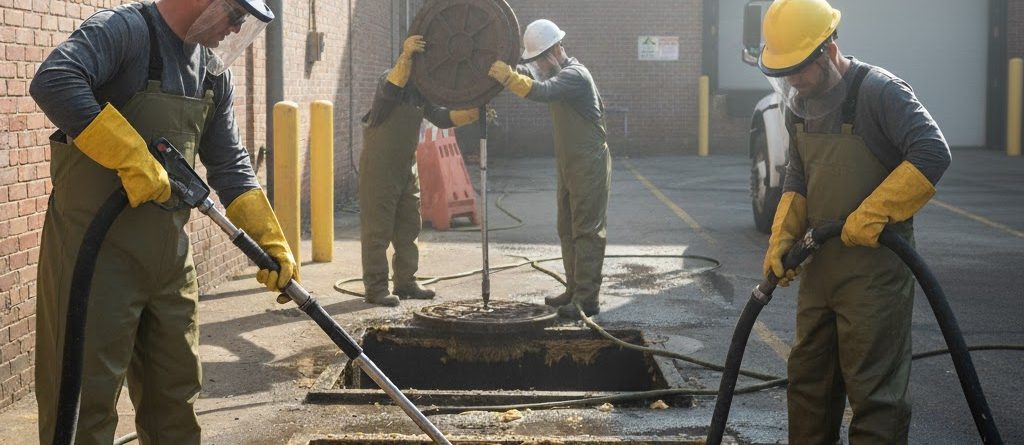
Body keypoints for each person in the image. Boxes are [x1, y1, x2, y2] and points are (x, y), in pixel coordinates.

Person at [29, 1, 294, 443]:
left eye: (244, 23)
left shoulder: (211, 72)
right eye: (233, 14)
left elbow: (229, 163)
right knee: (82, 406)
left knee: (174, 400)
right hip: (94, 260)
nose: (233, 30)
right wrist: (129, 153)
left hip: (169, 261)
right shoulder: (124, 32)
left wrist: (269, 239)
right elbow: (54, 80)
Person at [758, 0, 951, 443]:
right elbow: (799, 171)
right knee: (808, 382)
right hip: (821, 266)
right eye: (783, 71)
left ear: (827, 50)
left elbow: (932, 151)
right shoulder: (800, 102)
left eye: (798, 69)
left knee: (874, 395)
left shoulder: (879, 91)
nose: (791, 81)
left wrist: (875, 211)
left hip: (873, 274)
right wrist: (784, 232)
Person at [488, 19, 611, 319]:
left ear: (557, 50)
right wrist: (508, 68)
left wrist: (509, 79)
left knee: (587, 231)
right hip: (569, 164)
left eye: (541, 58)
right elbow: (530, 75)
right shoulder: (551, 71)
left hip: (589, 163)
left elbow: (541, 91)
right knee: (567, 228)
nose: (539, 66)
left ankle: (587, 299)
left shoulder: (575, 76)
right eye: (536, 61)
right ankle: (573, 290)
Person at [359, 35, 481, 307]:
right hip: (379, 169)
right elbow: (393, 86)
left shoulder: (420, 93)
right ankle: (376, 288)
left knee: (408, 227)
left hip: (405, 168)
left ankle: (406, 281)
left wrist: (472, 114)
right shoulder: (388, 81)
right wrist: (405, 56)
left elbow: (440, 116)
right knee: (377, 231)